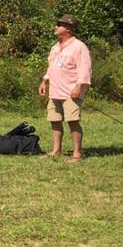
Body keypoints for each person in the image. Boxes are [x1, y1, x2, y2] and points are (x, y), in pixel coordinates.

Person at [38, 14, 92, 162]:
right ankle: (56, 150)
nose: (55, 27)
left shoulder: (79, 47)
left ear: (68, 29)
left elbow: (84, 69)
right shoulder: (55, 47)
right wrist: (45, 81)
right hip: (55, 91)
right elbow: (51, 67)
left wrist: (78, 86)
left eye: (59, 25)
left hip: (70, 92)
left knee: (72, 121)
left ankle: (77, 154)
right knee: (54, 120)